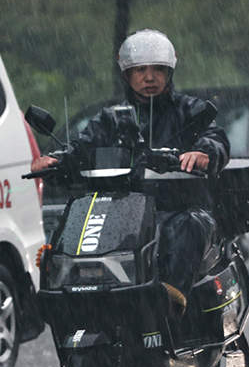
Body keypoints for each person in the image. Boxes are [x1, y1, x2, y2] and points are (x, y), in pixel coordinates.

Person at [31, 29, 230, 328]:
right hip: (123, 214)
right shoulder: (111, 119)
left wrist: (205, 152)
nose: (149, 78)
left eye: (157, 70)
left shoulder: (190, 111)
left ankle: (170, 304)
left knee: (189, 226)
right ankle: (75, 307)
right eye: (140, 70)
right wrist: (57, 161)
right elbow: (82, 148)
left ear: (169, 71)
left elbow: (215, 138)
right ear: (127, 74)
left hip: (176, 209)